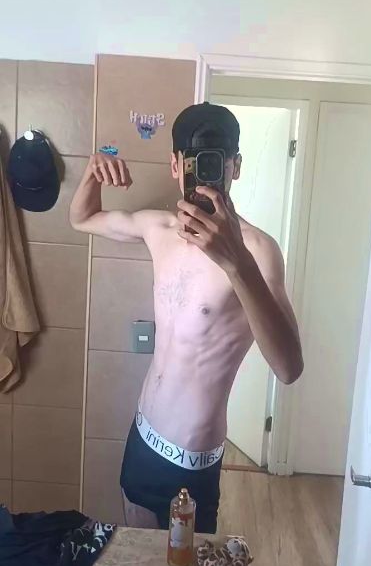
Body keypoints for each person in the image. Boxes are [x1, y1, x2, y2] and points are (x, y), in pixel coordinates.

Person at [70, 102, 303, 533]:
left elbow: (289, 368)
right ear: (176, 165)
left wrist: (237, 264)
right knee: (137, 559)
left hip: (192, 460)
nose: (207, 174)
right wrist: (92, 172)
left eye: (218, 161)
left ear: (235, 166)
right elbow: (82, 218)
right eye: (195, 162)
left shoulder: (258, 251)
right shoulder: (157, 228)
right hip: (142, 435)